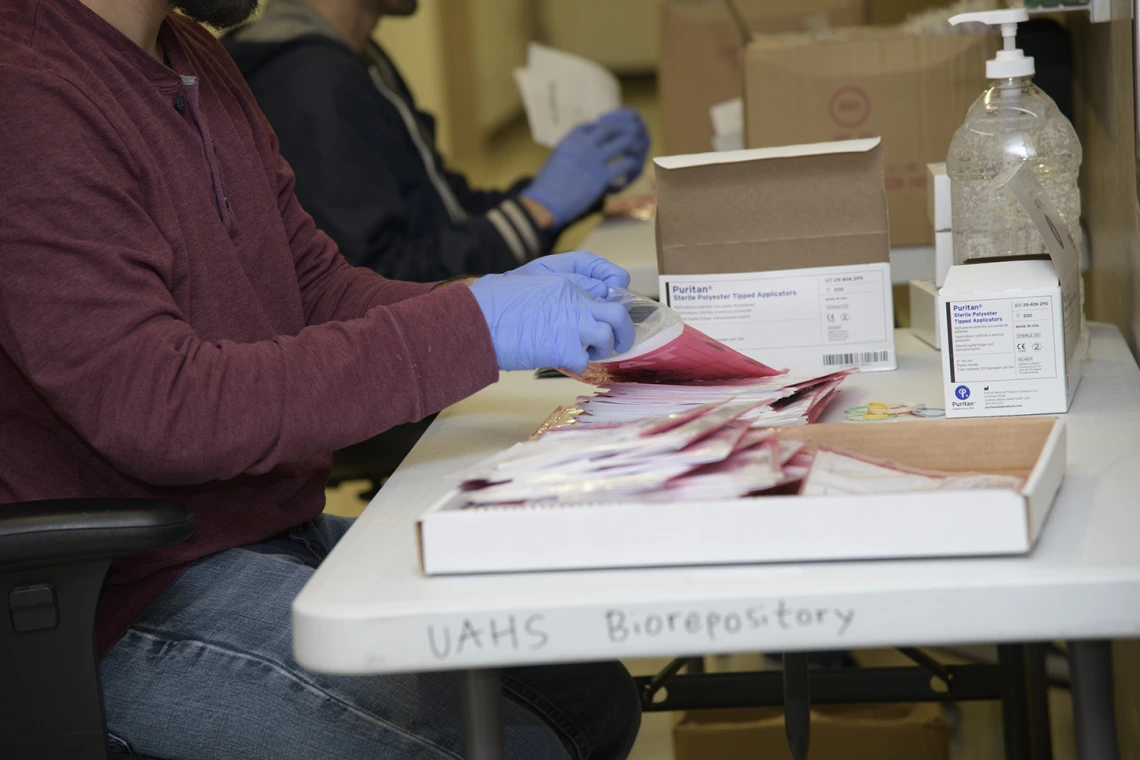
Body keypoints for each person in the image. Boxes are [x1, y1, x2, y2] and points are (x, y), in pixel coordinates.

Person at [0, 0, 641, 758]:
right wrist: (473, 326)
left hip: (260, 532)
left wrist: (483, 297)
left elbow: (317, 293)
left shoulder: (196, 56)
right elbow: (163, 408)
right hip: (113, 602)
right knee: (510, 745)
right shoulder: (27, 91)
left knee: (591, 694)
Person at [223, 0, 650, 281]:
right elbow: (376, 280)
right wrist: (536, 211)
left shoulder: (356, 58)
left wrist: (568, 193)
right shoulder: (308, 80)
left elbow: (443, 211)